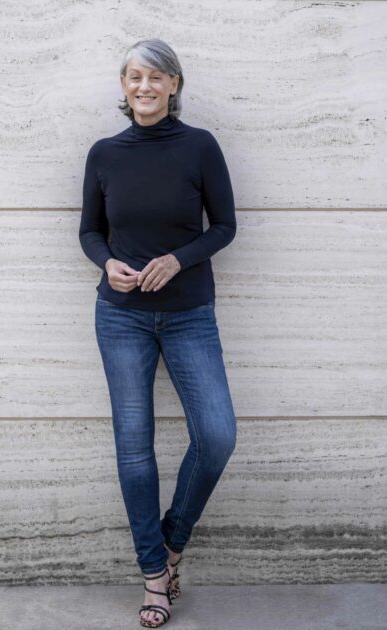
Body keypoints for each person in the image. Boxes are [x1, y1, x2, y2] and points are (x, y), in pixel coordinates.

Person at [79, 37, 237, 628]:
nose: (144, 86)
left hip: (190, 312)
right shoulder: (104, 153)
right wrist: (106, 263)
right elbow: (89, 231)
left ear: (174, 84)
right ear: (124, 87)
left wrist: (178, 259)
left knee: (217, 436)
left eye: (155, 77)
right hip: (120, 317)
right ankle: (153, 575)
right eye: (134, 77)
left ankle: (172, 543)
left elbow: (224, 226)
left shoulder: (200, 146)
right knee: (134, 447)